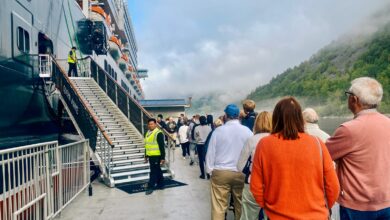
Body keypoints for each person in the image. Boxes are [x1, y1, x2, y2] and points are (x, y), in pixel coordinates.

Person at [250, 97, 339, 219]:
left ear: (276, 118)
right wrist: (323, 208)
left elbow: (256, 187)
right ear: (300, 119)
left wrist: (269, 207)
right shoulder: (317, 143)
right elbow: (333, 186)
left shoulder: (264, 144)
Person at [326, 77, 390, 220]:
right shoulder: (388, 123)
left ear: (354, 99)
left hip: (357, 207)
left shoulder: (348, 130)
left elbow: (322, 155)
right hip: (386, 202)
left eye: (348, 95)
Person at [206, 104, 253, 220]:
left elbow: (211, 153)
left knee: (219, 206)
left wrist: (210, 170)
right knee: (240, 204)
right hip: (241, 173)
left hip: (220, 172)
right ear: (238, 116)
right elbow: (252, 152)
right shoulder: (247, 131)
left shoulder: (218, 131)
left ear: (226, 115)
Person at [236, 111, 272, 220]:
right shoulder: (279, 140)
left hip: (253, 183)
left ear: (256, 124)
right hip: (273, 186)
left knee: (248, 216)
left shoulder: (251, 140)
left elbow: (240, 166)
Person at [144, 118, 165, 195]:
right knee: (158, 170)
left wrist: (163, 157)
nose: (150, 125)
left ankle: (151, 186)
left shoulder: (158, 133)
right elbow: (147, 145)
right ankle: (161, 185)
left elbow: (162, 146)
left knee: (153, 171)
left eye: (152, 124)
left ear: (155, 124)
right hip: (150, 155)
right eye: (149, 124)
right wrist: (146, 155)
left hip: (157, 155)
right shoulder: (148, 133)